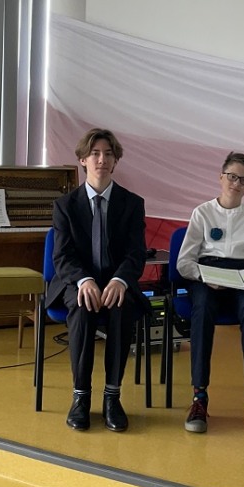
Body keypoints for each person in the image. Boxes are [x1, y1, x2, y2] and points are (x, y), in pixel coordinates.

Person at [46, 127, 147, 433]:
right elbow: (62, 256)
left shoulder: (132, 203)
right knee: (82, 306)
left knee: (120, 307)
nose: (102, 160)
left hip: (116, 282)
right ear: (83, 160)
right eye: (95, 154)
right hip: (77, 283)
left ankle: (112, 397)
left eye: (108, 154)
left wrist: (120, 280)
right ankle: (80, 397)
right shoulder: (65, 205)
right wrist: (84, 280)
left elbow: (135, 253)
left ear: (115, 161)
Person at [175, 152, 244, 436]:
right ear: (220, 177)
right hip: (208, 275)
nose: (236, 183)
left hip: (242, 276)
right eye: (232, 176)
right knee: (202, 308)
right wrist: (207, 276)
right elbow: (184, 262)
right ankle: (199, 397)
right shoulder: (202, 213)